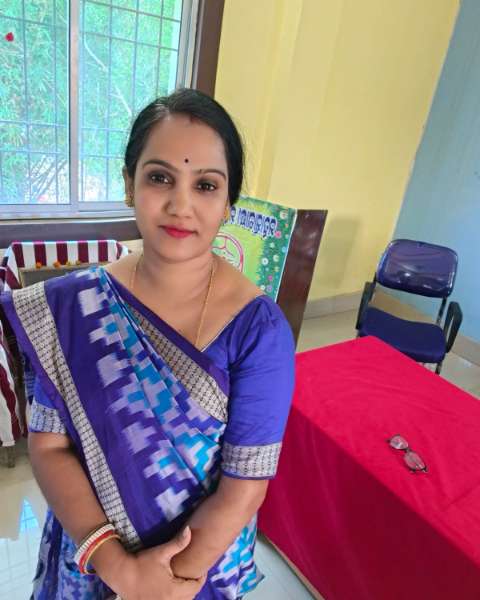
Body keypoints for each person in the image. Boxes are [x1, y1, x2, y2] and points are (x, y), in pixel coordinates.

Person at [0, 88, 295, 599]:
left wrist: (164, 585)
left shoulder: (258, 330)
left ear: (228, 203)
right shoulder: (75, 307)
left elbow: (245, 487)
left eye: (206, 185)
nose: (181, 205)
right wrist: (121, 570)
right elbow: (49, 446)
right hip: (92, 556)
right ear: (128, 184)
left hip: (196, 572)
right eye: (160, 177)